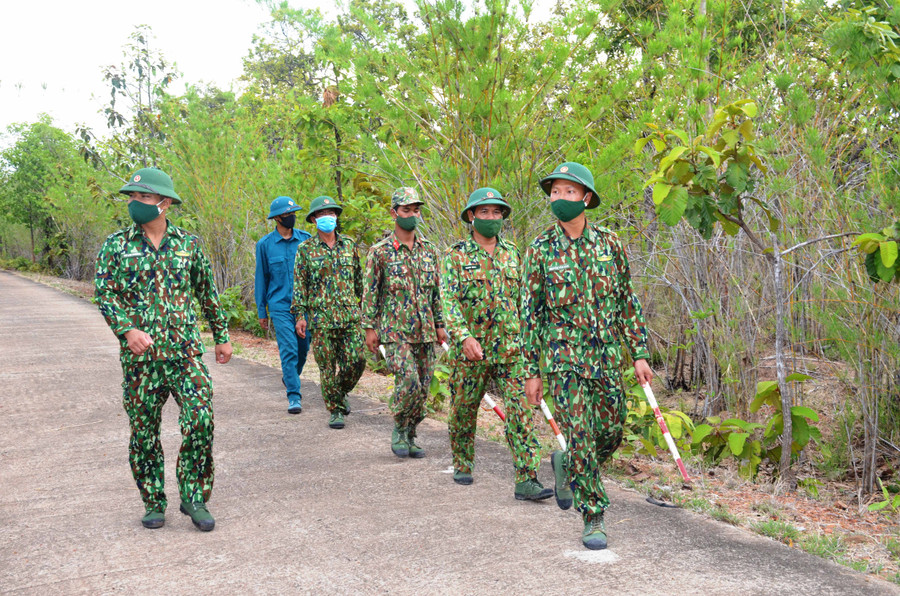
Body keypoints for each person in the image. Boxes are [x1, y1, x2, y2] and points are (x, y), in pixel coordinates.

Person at [520, 162, 653, 550]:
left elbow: (627, 300)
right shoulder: (540, 249)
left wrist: (638, 352)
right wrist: (532, 371)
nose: (559, 198)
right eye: (554, 192)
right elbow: (530, 315)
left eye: (569, 191)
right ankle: (593, 514)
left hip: (606, 357)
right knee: (579, 434)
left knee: (611, 430)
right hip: (564, 361)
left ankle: (568, 464)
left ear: (586, 198)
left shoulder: (610, 244)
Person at [94, 167, 232, 532]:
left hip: (185, 353)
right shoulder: (116, 245)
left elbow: (207, 292)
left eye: (143, 197)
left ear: (165, 202)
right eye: (132, 196)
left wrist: (221, 334)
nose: (135, 203)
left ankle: (194, 496)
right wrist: (127, 330)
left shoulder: (189, 244)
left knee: (200, 420)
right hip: (141, 360)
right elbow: (104, 294)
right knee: (144, 433)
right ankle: (153, 501)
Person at [440, 188, 552, 501]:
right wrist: (463, 336)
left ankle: (527, 478)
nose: (491, 217)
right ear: (472, 216)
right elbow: (448, 301)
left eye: (497, 212)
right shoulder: (455, 256)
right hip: (471, 352)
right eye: (485, 212)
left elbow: (526, 302)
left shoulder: (513, 253)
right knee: (463, 410)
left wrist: (533, 345)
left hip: (511, 350)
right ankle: (463, 462)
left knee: (521, 412)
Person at [362, 187, 448, 458]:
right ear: (394, 213)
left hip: (425, 331)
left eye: (416, 210)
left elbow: (436, 293)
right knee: (408, 380)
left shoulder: (429, 250)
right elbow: (370, 292)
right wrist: (369, 327)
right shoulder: (380, 252)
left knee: (422, 388)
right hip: (395, 331)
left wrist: (440, 324)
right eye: (406, 210)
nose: (412, 215)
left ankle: (412, 433)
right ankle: (399, 428)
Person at [291, 195, 365, 430]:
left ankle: (340, 391)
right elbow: (300, 285)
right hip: (321, 319)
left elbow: (359, 281)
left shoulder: (349, 245)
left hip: (350, 317)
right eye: (322, 214)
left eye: (331, 213)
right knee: (327, 367)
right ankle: (335, 410)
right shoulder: (305, 250)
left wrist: (365, 311)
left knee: (357, 361)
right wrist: (300, 316)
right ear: (314, 219)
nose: (328, 218)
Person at [255, 196, 312, 414]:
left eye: (293, 213)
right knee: (289, 348)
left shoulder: (306, 240)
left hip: (304, 306)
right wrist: (262, 310)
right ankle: (294, 396)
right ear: (277, 218)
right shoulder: (265, 245)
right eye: (287, 215)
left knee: (303, 348)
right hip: (279, 305)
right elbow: (261, 279)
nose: (292, 217)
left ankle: (290, 376)